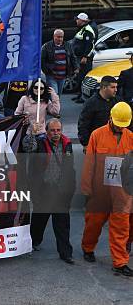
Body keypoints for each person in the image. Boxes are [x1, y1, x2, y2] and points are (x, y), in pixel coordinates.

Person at [80, 102, 133, 276]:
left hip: (122, 192)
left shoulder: (131, 137)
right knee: (93, 223)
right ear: (110, 117)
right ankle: (88, 248)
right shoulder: (97, 135)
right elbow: (89, 164)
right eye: (118, 123)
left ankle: (120, 262)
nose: (120, 127)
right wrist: (86, 189)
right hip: (100, 190)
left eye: (123, 125)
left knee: (121, 227)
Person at [23, 119, 76, 264]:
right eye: (52, 130)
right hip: (43, 189)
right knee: (39, 220)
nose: (56, 133)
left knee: (62, 224)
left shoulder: (67, 144)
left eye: (58, 130)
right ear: (46, 132)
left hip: (60, 190)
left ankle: (66, 253)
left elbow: (70, 169)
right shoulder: (39, 143)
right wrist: (31, 134)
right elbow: (27, 147)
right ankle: (33, 242)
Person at [77, 76, 121, 148]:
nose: (116, 90)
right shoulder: (91, 103)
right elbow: (83, 125)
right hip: (97, 143)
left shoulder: (118, 101)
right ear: (104, 88)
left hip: (115, 143)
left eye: (116, 87)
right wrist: (85, 143)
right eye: (113, 87)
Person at [41, 29, 77, 95]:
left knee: (59, 94)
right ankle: (53, 105)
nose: (60, 39)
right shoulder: (47, 46)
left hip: (63, 76)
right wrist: (46, 70)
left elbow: (72, 57)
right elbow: (42, 60)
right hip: (51, 75)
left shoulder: (68, 45)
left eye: (61, 37)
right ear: (54, 36)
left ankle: (55, 105)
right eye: (58, 37)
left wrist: (76, 67)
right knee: (54, 94)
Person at [71, 13, 98, 103]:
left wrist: (85, 56)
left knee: (83, 77)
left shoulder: (88, 30)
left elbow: (90, 45)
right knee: (79, 77)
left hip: (84, 59)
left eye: (78, 19)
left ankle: (83, 98)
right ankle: (79, 95)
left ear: (82, 21)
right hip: (79, 57)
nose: (76, 20)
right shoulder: (83, 28)